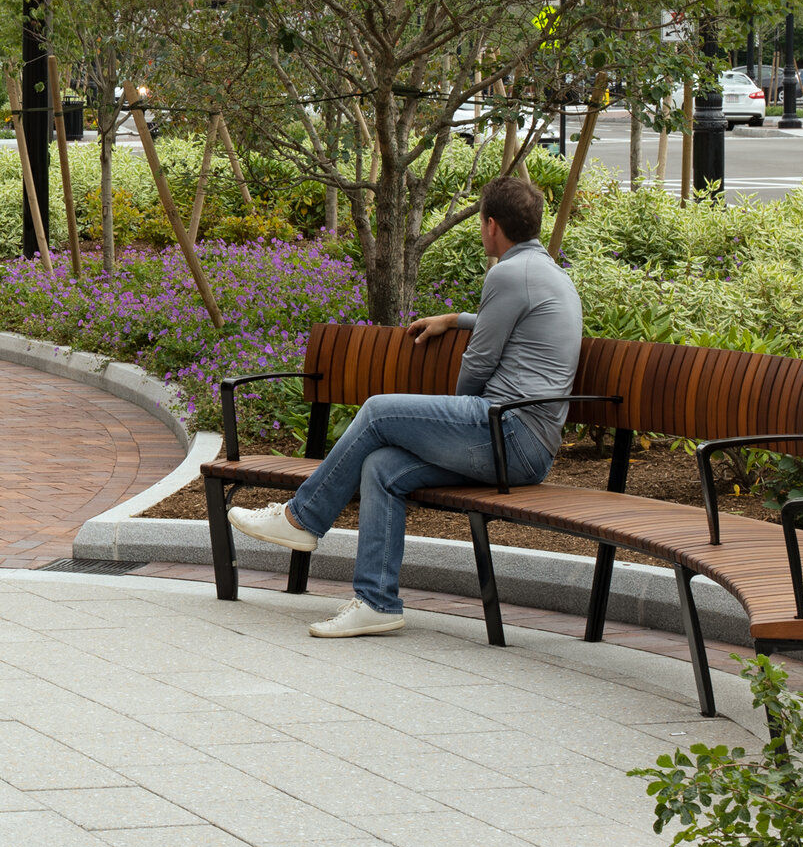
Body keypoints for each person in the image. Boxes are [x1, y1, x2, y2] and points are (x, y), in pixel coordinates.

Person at [229, 172, 583, 638]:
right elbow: (512, 323)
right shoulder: (544, 273)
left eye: (481, 223)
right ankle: (377, 602)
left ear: (491, 225)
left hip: (507, 433)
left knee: (379, 410)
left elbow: (478, 364)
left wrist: (454, 423)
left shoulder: (508, 273)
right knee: (382, 466)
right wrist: (454, 319)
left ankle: (303, 517)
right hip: (524, 445)